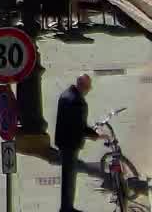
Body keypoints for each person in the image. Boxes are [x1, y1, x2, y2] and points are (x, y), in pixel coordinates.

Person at [55, 72, 101, 212]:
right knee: (69, 178)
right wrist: (96, 135)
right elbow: (79, 126)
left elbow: (74, 122)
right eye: (88, 87)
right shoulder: (77, 101)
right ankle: (66, 209)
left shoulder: (66, 94)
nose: (89, 90)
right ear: (83, 86)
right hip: (70, 143)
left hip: (64, 141)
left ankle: (67, 207)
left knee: (68, 177)